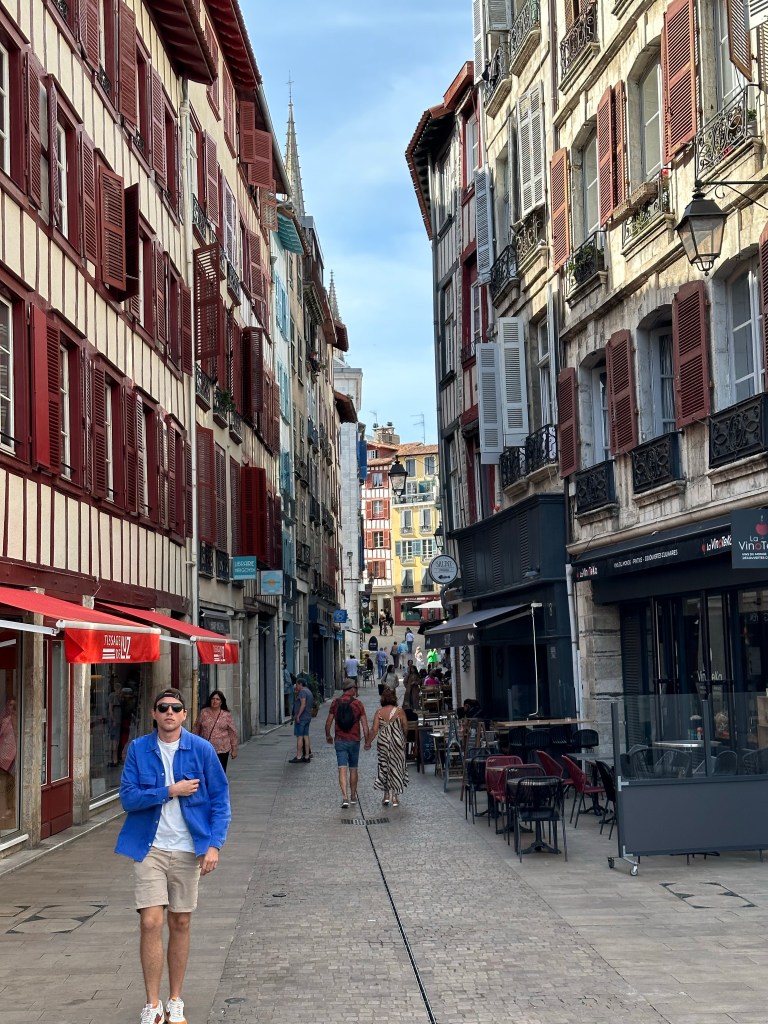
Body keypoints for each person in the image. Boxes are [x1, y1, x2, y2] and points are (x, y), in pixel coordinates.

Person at [116, 688, 231, 1024]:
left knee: (180, 922)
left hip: (187, 849)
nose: (169, 712)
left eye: (175, 708)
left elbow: (220, 800)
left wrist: (214, 845)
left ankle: (175, 999)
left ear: (184, 714)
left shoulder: (201, 750)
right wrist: (169, 791)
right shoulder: (138, 749)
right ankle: (152, 1004)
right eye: (163, 707)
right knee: (150, 922)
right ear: (154, 713)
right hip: (149, 848)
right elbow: (128, 798)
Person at [325, 680, 370, 808]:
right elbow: (365, 726)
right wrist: (367, 741)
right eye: (355, 687)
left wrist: (328, 735)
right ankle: (353, 796)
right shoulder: (358, 704)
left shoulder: (335, 703)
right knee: (353, 769)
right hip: (354, 740)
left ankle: (345, 798)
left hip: (340, 740)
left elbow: (328, 722)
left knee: (342, 768)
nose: (356, 690)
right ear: (351, 689)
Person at [366, 687, 409, 807]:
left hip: (383, 742)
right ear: (394, 698)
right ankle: (395, 797)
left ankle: (386, 796)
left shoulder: (379, 712)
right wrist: (404, 737)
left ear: (383, 698)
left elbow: (374, 730)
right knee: (396, 767)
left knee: (384, 767)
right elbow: (405, 727)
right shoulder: (400, 711)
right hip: (397, 741)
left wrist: (368, 742)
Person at [192, 690, 239, 773]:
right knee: (206, 771)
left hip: (222, 750)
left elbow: (232, 732)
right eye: (213, 699)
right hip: (206, 748)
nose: (215, 701)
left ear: (221, 702)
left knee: (220, 772)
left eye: (217, 699)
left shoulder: (226, 715)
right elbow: (196, 728)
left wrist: (234, 749)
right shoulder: (204, 713)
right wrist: (193, 745)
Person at [289, 677, 313, 763]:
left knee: (300, 737)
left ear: (300, 684)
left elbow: (303, 704)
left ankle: (299, 756)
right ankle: (307, 756)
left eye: (297, 684)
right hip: (308, 717)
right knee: (306, 736)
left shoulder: (302, 692)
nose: (296, 686)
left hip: (302, 718)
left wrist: (298, 715)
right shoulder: (309, 691)